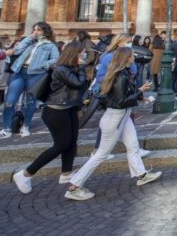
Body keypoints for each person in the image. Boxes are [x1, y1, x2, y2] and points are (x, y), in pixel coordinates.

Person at [65, 47, 160, 200]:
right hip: (116, 118)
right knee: (101, 154)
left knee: (133, 146)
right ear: (126, 59)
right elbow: (120, 101)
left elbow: (122, 95)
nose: (134, 58)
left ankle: (142, 174)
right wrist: (140, 92)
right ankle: (74, 186)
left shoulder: (119, 73)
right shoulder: (120, 76)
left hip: (122, 117)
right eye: (132, 56)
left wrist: (140, 95)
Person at [12, 41, 89, 193]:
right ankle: (25, 174)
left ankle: (66, 173)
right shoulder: (61, 69)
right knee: (61, 145)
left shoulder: (70, 68)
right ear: (75, 54)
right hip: (56, 111)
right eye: (82, 52)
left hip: (69, 108)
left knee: (72, 143)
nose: (84, 55)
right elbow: (78, 84)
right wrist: (82, 68)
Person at [0, 22, 59, 140]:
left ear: (45, 32)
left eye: (38, 30)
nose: (35, 32)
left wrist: (43, 64)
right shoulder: (30, 42)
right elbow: (17, 51)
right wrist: (28, 39)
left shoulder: (50, 46)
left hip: (36, 74)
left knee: (30, 102)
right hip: (19, 72)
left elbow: (56, 59)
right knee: (9, 101)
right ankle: (6, 129)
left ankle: (26, 126)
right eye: (34, 29)